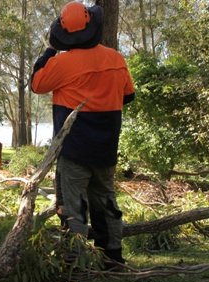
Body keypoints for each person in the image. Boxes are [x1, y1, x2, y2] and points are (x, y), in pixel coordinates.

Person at [31, 1, 135, 266]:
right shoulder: (116, 59)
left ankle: (76, 263)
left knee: (73, 207)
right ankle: (112, 257)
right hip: (106, 148)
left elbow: (36, 84)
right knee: (106, 202)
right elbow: (128, 96)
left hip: (74, 149)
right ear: (93, 26)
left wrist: (50, 51)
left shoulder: (61, 64)